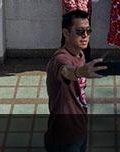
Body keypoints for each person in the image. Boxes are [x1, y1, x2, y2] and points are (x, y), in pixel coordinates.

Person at [44, 10, 106, 152]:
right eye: (79, 31)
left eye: (88, 31)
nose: (85, 36)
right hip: (64, 136)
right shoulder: (60, 59)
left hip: (80, 128)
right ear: (66, 33)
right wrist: (79, 72)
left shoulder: (80, 54)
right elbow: (66, 71)